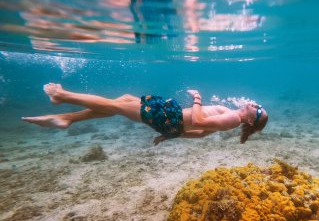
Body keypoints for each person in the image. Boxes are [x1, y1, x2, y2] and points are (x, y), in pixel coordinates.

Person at [22, 83, 268, 145]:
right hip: (170, 120)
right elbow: (202, 134)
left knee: (115, 105)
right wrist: (171, 136)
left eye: (257, 110)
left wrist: (197, 99)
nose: (255, 105)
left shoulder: (231, 119)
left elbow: (198, 121)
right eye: (258, 105)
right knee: (124, 100)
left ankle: (63, 96)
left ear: (249, 120)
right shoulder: (233, 116)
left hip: (167, 118)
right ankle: (67, 119)